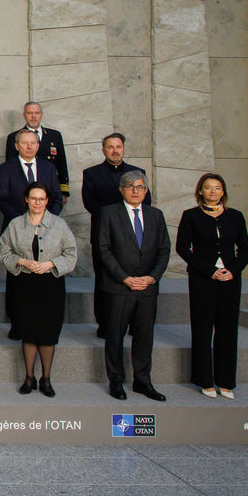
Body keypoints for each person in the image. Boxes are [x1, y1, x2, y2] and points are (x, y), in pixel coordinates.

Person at [97, 170, 171, 402]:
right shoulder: (108, 213)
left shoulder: (156, 215)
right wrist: (125, 278)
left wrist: (151, 278)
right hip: (119, 287)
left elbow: (164, 250)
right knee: (115, 336)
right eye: (130, 186)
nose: (135, 190)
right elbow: (103, 249)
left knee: (144, 337)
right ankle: (116, 381)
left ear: (146, 191)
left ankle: (142, 381)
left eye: (140, 186)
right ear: (122, 190)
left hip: (147, 288)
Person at [176, 173, 248, 399]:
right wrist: (210, 270)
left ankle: (225, 381)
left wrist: (232, 270)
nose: (213, 191)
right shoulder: (191, 216)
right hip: (202, 279)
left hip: (229, 280)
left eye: (217, 188)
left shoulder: (235, 216)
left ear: (223, 191)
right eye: (208, 187)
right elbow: (183, 248)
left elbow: (245, 250)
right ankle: (205, 380)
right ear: (200, 191)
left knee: (227, 330)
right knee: (202, 329)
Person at [0, 182, 77, 398]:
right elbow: (4, 252)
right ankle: (29, 377)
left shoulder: (59, 225)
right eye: (33, 198)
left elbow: (71, 254)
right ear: (26, 199)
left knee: (47, 333)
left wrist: (51, 264)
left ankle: (46, 379)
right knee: (28, 332)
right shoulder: (15, 224)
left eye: (41, 199)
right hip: (24, 285)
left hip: (51, 285)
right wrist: (22, 261)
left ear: (47, 201)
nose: (37, 203)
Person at [0, 128, 64, 340]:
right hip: (17, 230)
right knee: (18, 280)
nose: (29, 146)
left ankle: (41, 324)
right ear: (17, 146)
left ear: (38, 145)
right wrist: (24, 222)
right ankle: (17, 324)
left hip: (47, 231)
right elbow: (2, 199)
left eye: (33, 143)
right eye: (24, 143)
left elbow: (57, 199)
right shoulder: (6, 168)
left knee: (42, 280)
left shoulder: (48, 168)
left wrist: (45, 221)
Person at [82, 133, 150, 337]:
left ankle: (134, 323)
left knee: (134, 277)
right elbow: (90, 203)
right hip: (104, 236)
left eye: (118, 147)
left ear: (123, 149)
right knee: (105, 280)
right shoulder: (91, 174)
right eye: (110, 147)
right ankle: (105, 323)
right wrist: (115, 219)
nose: (115, 151)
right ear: (103, 150)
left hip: (134, 238)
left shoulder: (137, 173)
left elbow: (146, 203)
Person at [3, 101, 69, 199]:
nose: (34, 116)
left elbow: (61, 164)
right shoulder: (13, 137)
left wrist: (64, 192)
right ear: (24, 115)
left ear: (41, 114)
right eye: (29, 113)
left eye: (37, 113)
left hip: (49, 193)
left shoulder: (55, 136)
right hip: (23, 193)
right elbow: (10, 168)